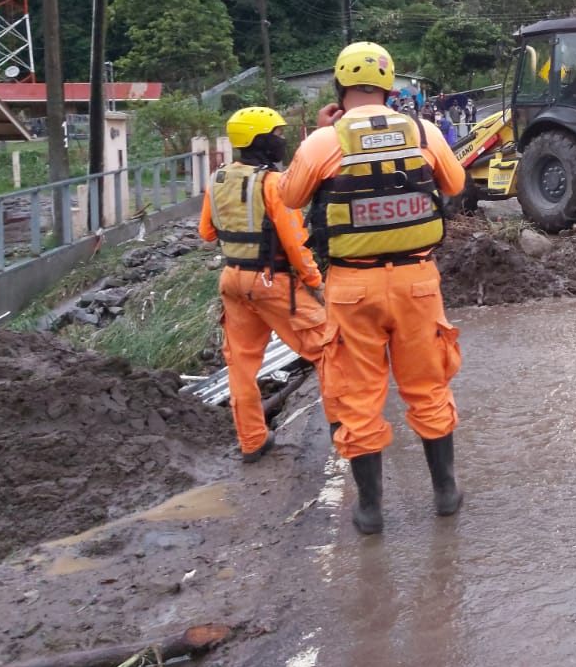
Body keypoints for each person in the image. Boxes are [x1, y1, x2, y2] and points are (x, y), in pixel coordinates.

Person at [279, 41, 466, 534]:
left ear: (340, 88)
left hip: (350, 287)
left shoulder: (323, 142)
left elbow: (290, 196)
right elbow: (454, 184)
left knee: (358, 395)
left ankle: (369, 508)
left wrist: (322, 134)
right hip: (417, 282)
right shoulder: (424, 132)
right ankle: (445, 491)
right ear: (389, 86)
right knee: (427, 387)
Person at [198, 106, 336, 464]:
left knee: (241, 367)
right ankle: (344, 426)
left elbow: (206, 232)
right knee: (328, 349)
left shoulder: (218, 179)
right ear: (260, 140)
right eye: (277, 134)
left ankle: (252, 441)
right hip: (273, 282)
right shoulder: (272, 185)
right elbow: (295, 242)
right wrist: (316, 282)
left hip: (232, 280)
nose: (281, 139)